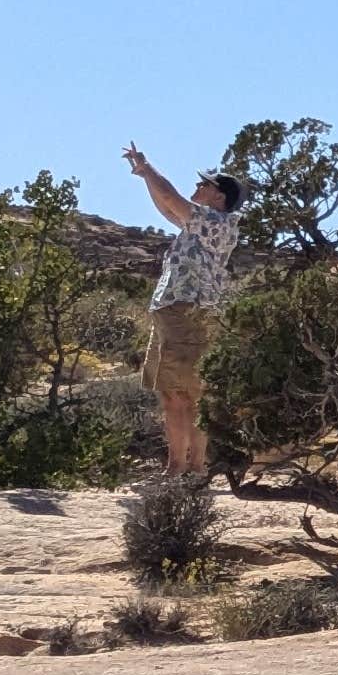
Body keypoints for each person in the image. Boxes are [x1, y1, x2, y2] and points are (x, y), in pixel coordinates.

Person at [124, 146, 247, 475]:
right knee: (172, 395)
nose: (199, 187)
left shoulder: (219, 223)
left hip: (190, 313)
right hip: (170, 314)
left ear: (218, 197)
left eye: (205, 185)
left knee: (192, 393)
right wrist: (144, 177)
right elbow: (167, 207)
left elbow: (172, 199)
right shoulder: (199, 225)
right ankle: (175, 468)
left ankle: (194, 468)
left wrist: (148, 169)